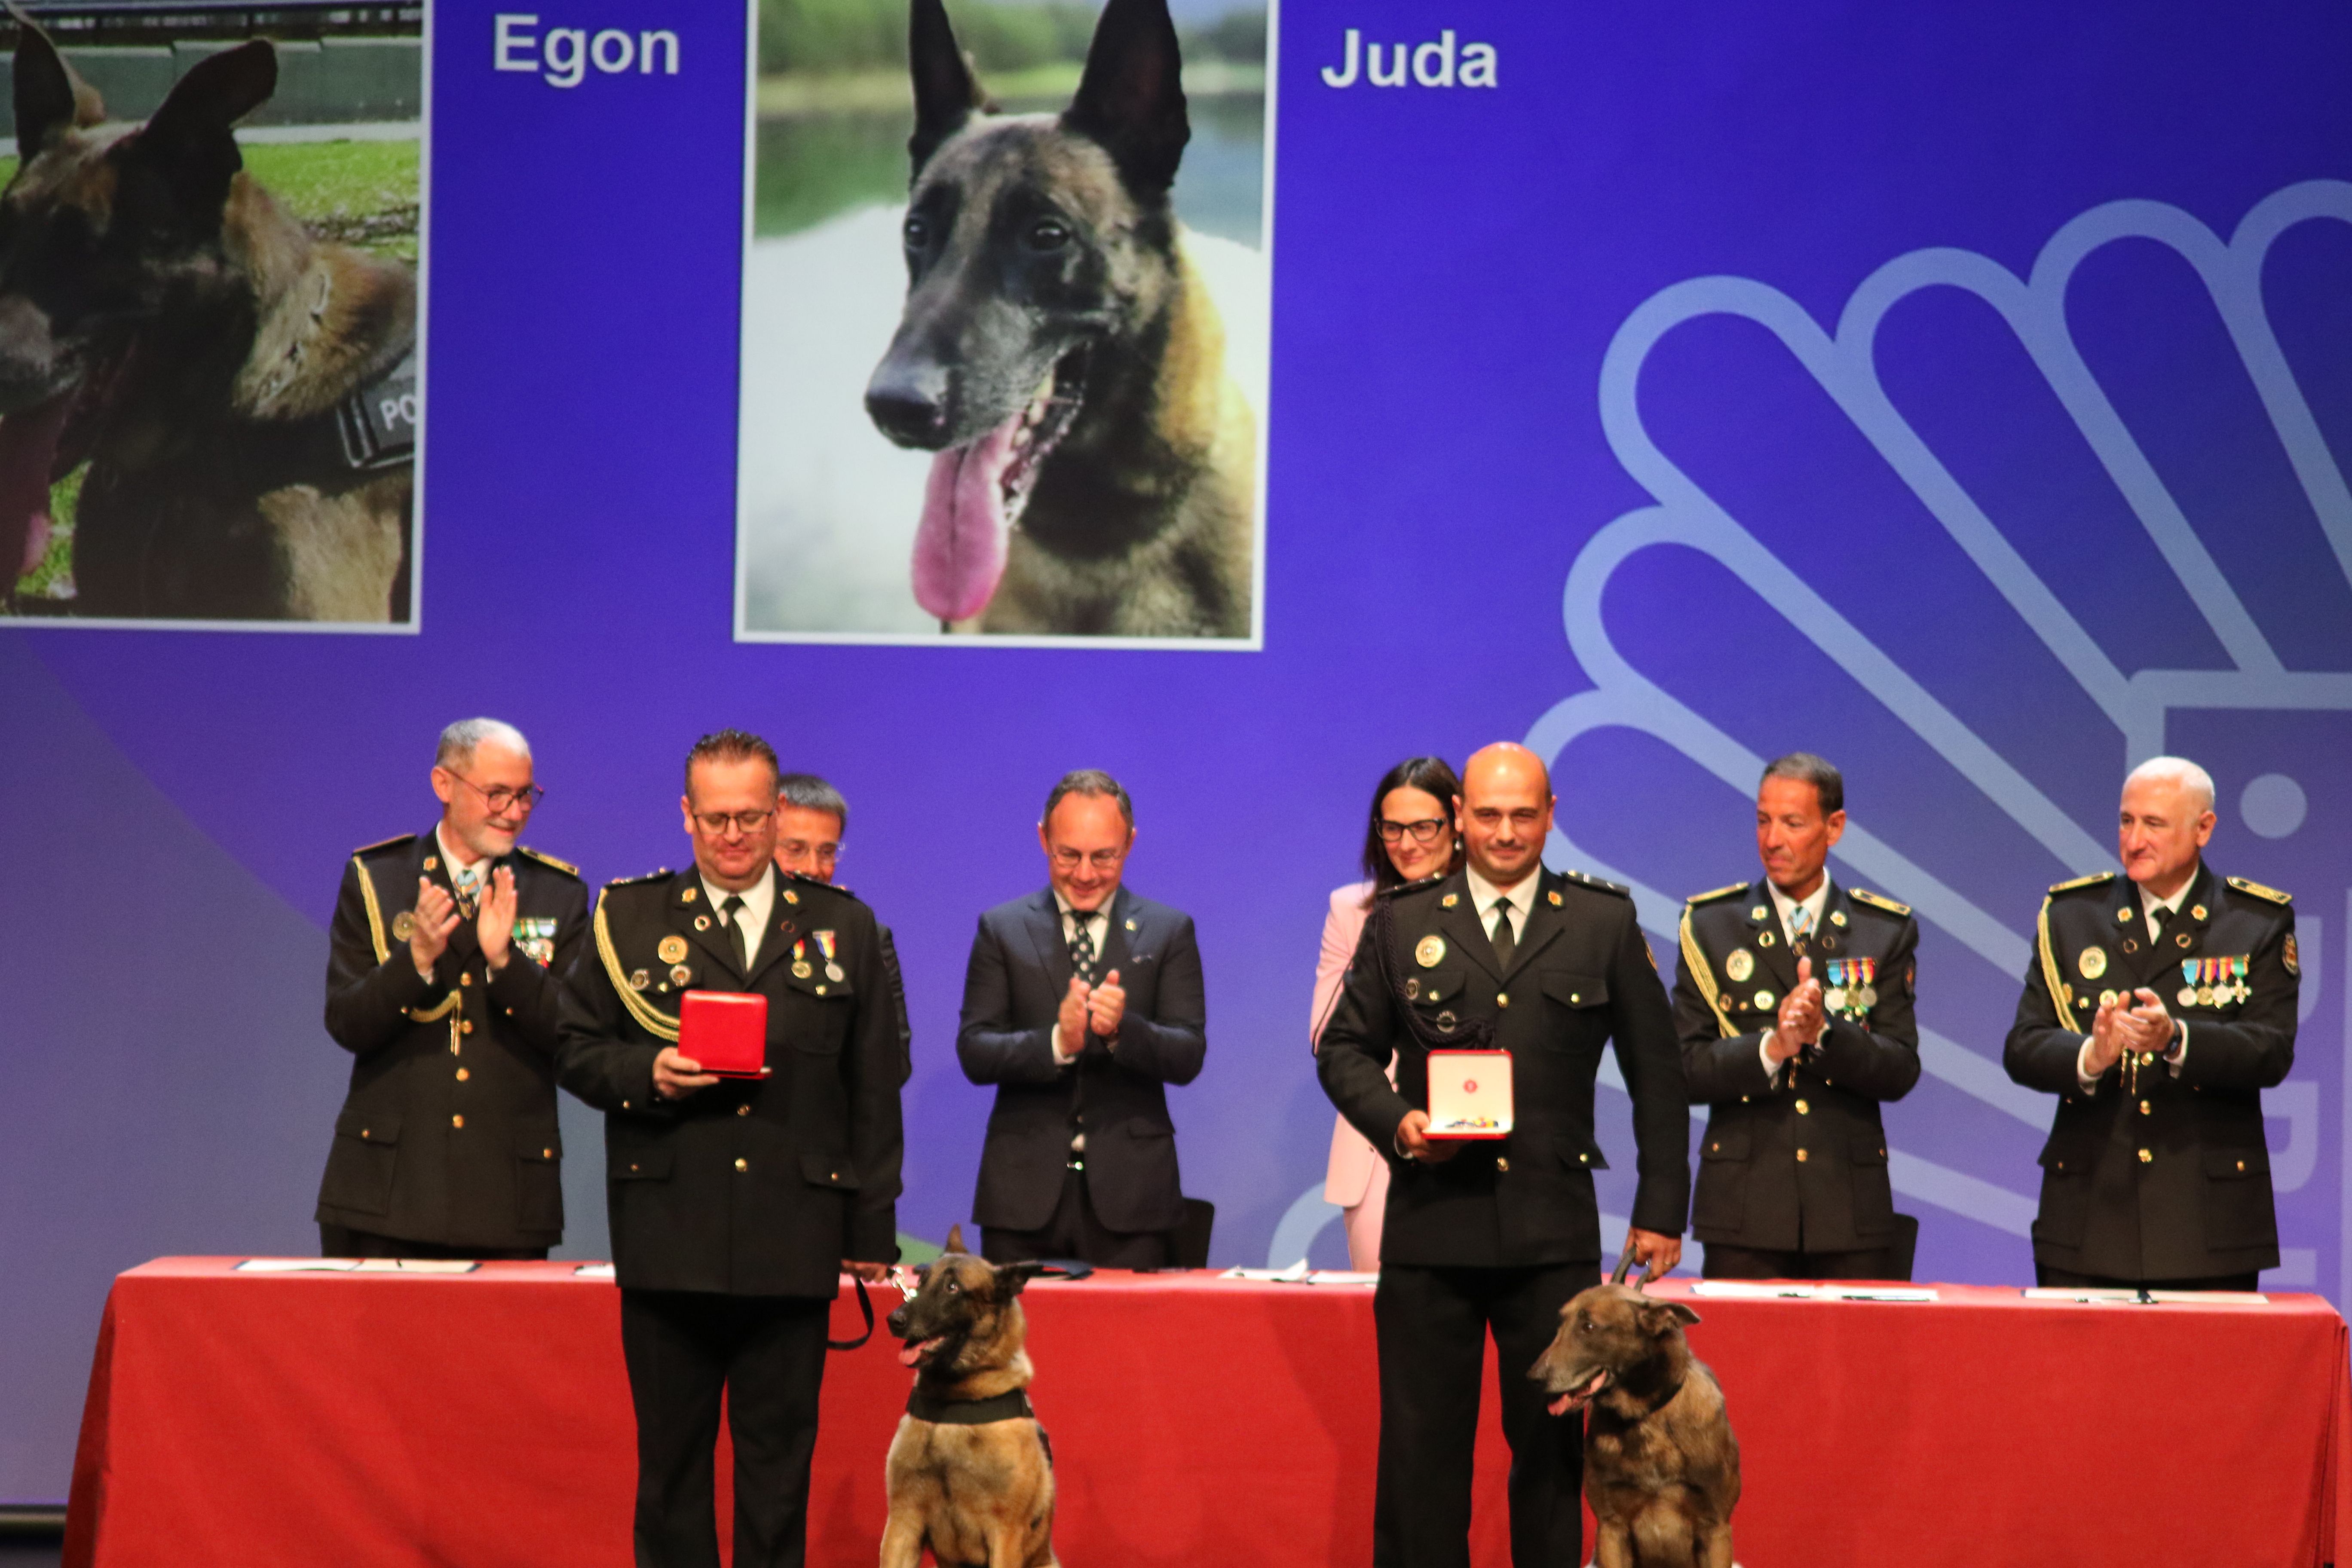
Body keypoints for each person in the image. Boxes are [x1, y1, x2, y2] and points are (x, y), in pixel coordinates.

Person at [1318, 742, 1688, 1568]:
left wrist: (1662, 1208)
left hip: (1550, 1238)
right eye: (1487, 814)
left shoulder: (1601, 921)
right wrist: (1400, 1121)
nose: (1506, 831)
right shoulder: (1403, 919)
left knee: (1553, 1459)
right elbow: (1342, 1050)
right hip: (1429, 1228)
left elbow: (1657, 1073)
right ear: (1459, 819)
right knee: (1421, 1459)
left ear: (1551, 814)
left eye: (1524, 814)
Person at [557, 730, 903, 1568]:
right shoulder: (629, 919)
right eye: (715, 819)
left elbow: (875, 1085)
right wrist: (651, 1073)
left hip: (794, 1241)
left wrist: (867, 1237)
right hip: (669, 1235)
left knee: (778, 1474)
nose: (733, 836)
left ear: (778, 811)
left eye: (750, 816)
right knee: (672, 1475)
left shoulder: (843, 925)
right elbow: (571, 1046)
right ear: (686, 816)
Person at [2004, 756, 2298, 1291]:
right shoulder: (2073, 916)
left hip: (2206, 1221)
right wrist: (2090, 1057)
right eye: (2126, 821)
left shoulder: (2255, 920)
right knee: (2076, 1378)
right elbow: (2024, 1046)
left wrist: (2177, 1039)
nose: (2134, 840)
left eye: (2154, 824)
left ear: (2203, 828)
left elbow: (2271, 1050)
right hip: (2088, 1213)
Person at [318, 717, 585, 1259]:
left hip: (506, 1195)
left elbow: (574, 1033)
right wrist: (414, 959)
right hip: (386, 1188)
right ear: (444, 785)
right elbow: (347, 1022)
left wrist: (505, 961)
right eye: (497, 794)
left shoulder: (559, 893)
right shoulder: (377, 878)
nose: (514, 812)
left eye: (525, 795)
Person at [1673, 753, 1921, 1280]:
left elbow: (1900, 1069)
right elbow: (1683, 1069)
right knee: (1743, 1365)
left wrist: (1825, 1036)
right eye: (1763, 820)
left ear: (1834, 827)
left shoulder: (1882, 930)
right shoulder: (1712, 926)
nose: (1772, 840)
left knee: (1855, 1364)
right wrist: (1773, 1048)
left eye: (1793, 823)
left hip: (1849, 1211)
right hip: (1744, 1213)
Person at [956, 769, 1207, 1268]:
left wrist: (1121, 1031)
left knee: (1127, 1346)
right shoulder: (1003, 929)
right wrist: (1056, 1041)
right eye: (1068, 855)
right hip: (1021, 1196)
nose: (1086, 874)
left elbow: (1187, 1054)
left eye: (1104, 857)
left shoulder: (1167, 930)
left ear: (1130, 844)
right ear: (1043, 838)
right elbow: (976, 1049)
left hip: (1133, 1199)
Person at [1312, 755, 1463, 1274]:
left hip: (1473, 1123)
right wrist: (1388, 931)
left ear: (1457, 824)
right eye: (1392, 828)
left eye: (1424, 826)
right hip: (1383, 1140)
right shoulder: (1352, 910)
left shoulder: (1489, 909)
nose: (1407, 843)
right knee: (1388, 1323)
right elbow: (1326, 1038)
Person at [774, 771, 911, 1083]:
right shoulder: (728, 924)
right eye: (795, 849)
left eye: (826, 852)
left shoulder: (864, 936)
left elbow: (895, 1063)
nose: (813, 868)